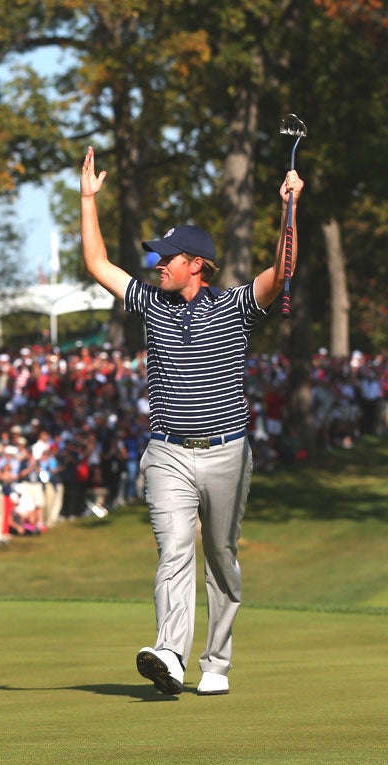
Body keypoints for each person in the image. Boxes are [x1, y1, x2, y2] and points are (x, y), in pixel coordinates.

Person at [80, 145, 304, 697]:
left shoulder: (235, 304)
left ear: (196, 264)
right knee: (175, 547)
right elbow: (97, 265)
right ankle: (171, 655)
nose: (158, 264)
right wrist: (87, 201)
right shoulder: (151, 303)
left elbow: (282, 271)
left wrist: (288, 210)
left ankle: (217, 661)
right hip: (167, 452)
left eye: (169, 257)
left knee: (221, 556)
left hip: (228, 450)